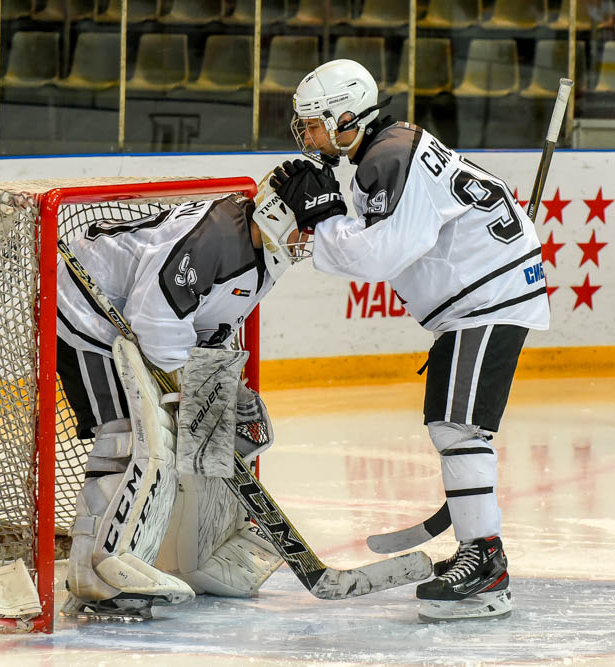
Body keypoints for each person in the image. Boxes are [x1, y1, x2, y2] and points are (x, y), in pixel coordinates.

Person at [270, 59, 550, 622]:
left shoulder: (389, 155)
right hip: (484, 297)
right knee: (451, 425)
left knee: (457, 427)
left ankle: (487, 567)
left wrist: (322, 219)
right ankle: (479, 553)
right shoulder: (390, 148)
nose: (308, 136)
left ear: (346, 117)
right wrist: (326, 218)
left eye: (314, 123)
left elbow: (381, 253)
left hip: (488, 301)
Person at [54, 185, 306, 618]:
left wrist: (221, 393)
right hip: (85, 313)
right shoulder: (214, 240)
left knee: (218, 430)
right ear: (277, 215)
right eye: (306, 228)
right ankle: (95, 572)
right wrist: (191, 384)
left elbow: (209, 322)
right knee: (127, 434)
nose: (309, 241)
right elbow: (154, 324)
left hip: (129, 319)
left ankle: (200, 555)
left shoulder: (263, 253)